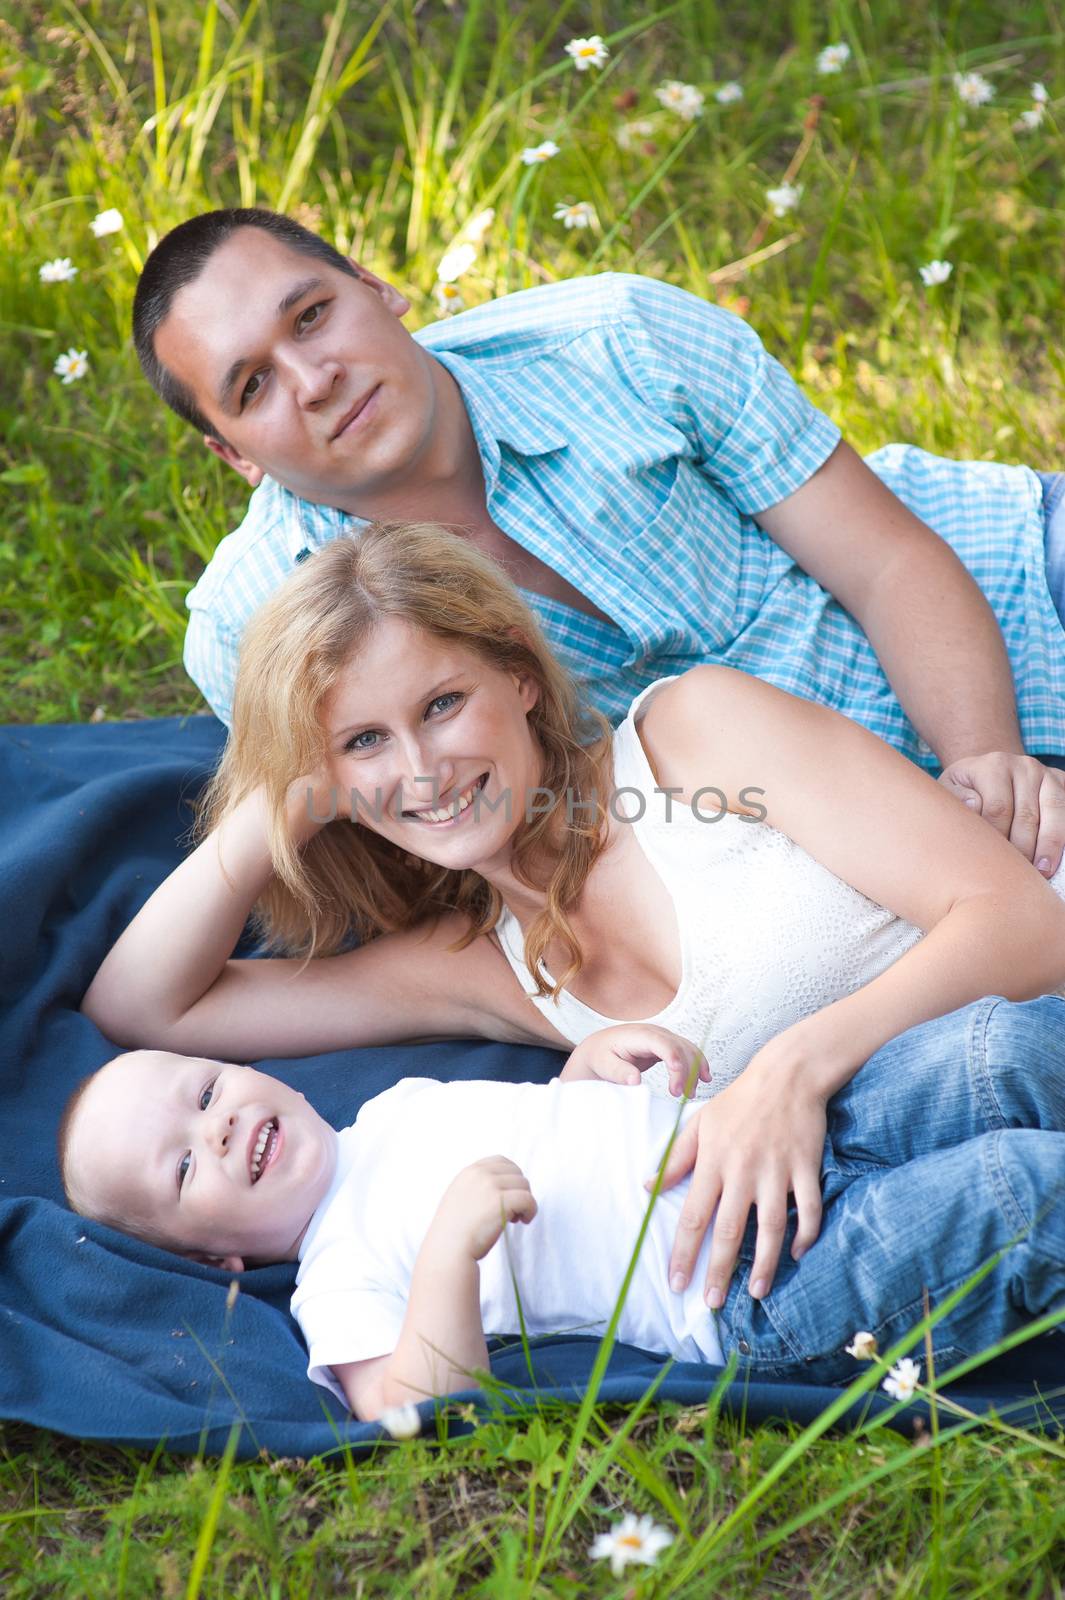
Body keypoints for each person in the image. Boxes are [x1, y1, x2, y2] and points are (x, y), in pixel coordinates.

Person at [81, 522, 1065, 1318]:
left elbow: (1022, 922)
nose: (422, 772)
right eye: (366, 740)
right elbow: (146, 1006)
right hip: (958, 1174)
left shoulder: (694, 739)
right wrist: (272, 805)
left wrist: (788, 1070)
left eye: (443, 703)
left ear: (516, 673)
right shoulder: (473, 965)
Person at [131, 208, 1065, 874]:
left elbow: (885, 558)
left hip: (1005, 597)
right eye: (252, 386)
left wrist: (985, 759)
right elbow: (446, 849)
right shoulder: (253, 625)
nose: (315, 377)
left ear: (376, 288)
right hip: (831, 848)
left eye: (313, 315)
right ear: (232, 454)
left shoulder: (616, 338)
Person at [57, 995, 1065, 1424]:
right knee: (1007, 1193)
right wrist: (451, 1251)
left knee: (991, 1052)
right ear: (217, 1262)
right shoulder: (336, 1277)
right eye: (185, 1170)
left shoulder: (393, 1107)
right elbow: (410, 1406)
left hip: (771, 1139)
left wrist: (592, 1073)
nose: (221, 1131)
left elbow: (553, 1126)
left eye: (203, 1095)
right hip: (756, 1283)